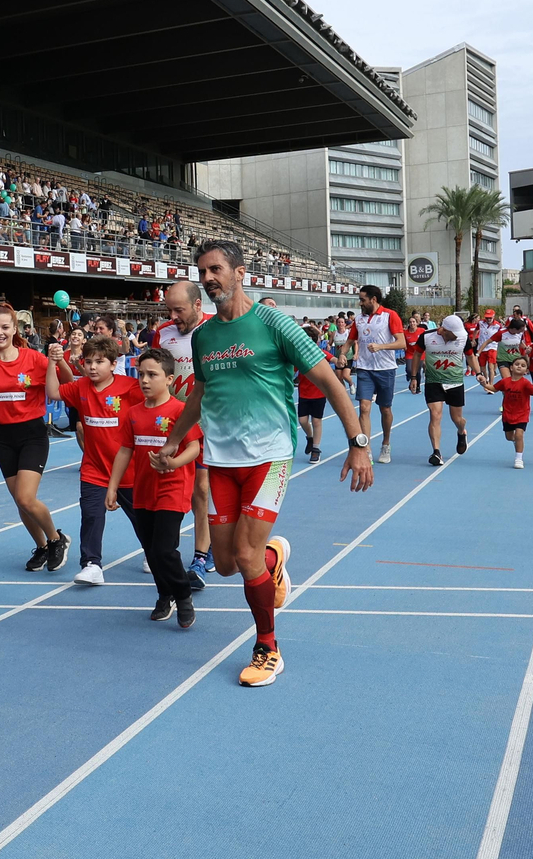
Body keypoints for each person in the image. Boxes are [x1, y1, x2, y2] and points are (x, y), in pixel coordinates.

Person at [155, 240, 372, 687]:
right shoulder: (206, 335)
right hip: (221, 459)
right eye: (203, 272)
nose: (209, 278)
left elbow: (329, 380)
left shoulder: (274, 323)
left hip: (269, 455)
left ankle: (267, 647)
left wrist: (359, 442)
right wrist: (173, 441)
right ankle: (274, 556)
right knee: (226, 561)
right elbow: (200, 393)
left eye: (216, 269)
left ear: (239, 272)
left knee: (244, 554)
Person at [0, 302, 71, 572]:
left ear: (15, 328)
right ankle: (41, 546)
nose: (0, 332)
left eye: (5, 327)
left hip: (32, 434)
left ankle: (56, 539)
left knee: (26, 497)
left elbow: (66, 380)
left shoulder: (33, 359)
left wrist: (59, 359)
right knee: (19, 500)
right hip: (3, 437)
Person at [105, 347, 204, 626]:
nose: (145, 380)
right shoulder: (133, 413)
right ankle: (164, 594)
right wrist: (113, 487)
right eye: (141, 374)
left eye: (152, 375)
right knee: (149, 549)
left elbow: (194, 448)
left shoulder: (180, 411)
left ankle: (182, 595)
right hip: (142, 490)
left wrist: (173, 464)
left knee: (163, 549)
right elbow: (125, 450)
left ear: (170, 379)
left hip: (173, 488)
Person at [46, 335, 139, 585]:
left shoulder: (130, 387)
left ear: (113, 363)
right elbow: (53, 392)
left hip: (128, 470)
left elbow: (158, 399)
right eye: (88, 362)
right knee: (91, 515)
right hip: (94, 469)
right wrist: (51, 363)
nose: (93, 367)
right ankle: (91, 564)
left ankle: (153, 553)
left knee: (142, 518)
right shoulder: (80, 388)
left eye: (99, 362)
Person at [154, 279, 215, 581]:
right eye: (169, 310)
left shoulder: (217, 329)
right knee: (174, 492)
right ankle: (166, 549)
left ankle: (201, 557)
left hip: (212, 423)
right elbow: (153, 372)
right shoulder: (163, 334)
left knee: (201, 491)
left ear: (198, 305)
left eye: (179, 310)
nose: (173, 316)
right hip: (176, 424)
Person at [347, 285, 405, 464]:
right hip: (364, 368)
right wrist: (342, 354)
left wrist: (381, 346)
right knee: (364, 407)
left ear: (373, 299)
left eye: (363, 299)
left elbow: (401, 343)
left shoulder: (390, 315)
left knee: (385, 408)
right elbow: (349, 341)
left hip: (385, 369)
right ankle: (366, 449)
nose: (360, 303)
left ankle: (386, 443)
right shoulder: (359, 319)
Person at [416, 315, 474, 467]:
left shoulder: (463, 337)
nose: (456, 336)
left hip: (455, 382)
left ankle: (462, 432)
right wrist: (414, 377)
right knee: (435, 415)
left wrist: (479, 373)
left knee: (457, 419)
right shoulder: (426, 337)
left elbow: (470, 356)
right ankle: (436, 452)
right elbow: (416, 354)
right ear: (443, 330)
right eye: (453, 333)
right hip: (433, 381)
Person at [296, 325, 336, 463]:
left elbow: (333, 359)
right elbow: (290, 371)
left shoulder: (320, 353)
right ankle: (310, 437)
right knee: (302, 421)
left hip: (319, 392)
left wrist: (340, 360)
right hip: (304, 393)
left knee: (316, 420)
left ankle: (316, 449)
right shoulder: (298, 355)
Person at [491, 355, 533, 469]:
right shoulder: (505, 382)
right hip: (508, 414)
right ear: (511, 368)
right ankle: (517, 443)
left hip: (522, 413)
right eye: (517, 364)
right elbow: (493, 389)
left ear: (526, 370)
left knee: (519, 434)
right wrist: (483, 383)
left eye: (523, 365)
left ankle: (519, 459)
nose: (519, 367)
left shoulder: (525, 383)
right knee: (509, 437)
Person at [491, 316, 533, 382]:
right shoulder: (502, 333)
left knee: (515, 381)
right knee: (507, 381)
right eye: (522, 329)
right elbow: (488, 341)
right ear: (515, 329)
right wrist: (478, 353)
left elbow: (520, 342)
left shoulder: (519, 334)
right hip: (503, 359)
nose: (523, 331)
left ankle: (510, 391)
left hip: (515, 358)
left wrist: (525, 348)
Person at [475, 308, 503, 395]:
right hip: (481, 347)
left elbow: (502, 335)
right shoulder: (480, 323)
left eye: (490, 318)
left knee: (490, 367)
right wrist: (473, 340)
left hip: (492, 347)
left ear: (493, 316)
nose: (488, 319)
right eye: (487, 318)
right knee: (482, 367)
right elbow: (476, 330)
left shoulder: (498, 325)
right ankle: (486, 380)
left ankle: (491, 385)